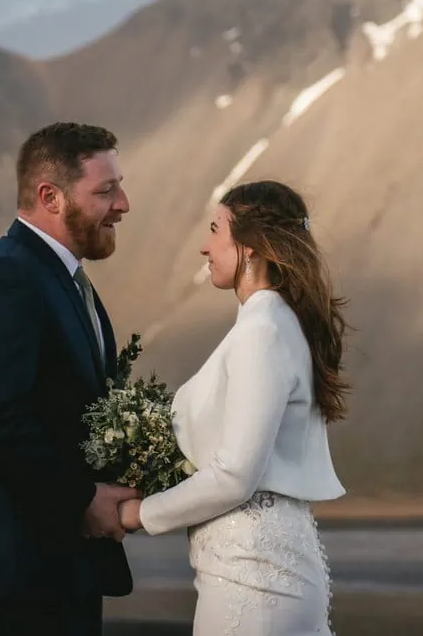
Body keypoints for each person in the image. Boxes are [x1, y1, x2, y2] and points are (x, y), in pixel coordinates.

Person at [119, 180, 349, 635]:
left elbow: (235, 474)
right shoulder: (276, 322)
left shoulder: (262, 330)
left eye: (215, 229)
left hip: (254, 581)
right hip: (255, 570)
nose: (205, 247)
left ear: (249, 246)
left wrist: (138, 514)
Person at [0, 121, 138, 635]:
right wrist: (84, 498)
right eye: (106, 190)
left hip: (55, 568)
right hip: (15, 573)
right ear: (50, 196)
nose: (123, 204)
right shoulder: (5, 281)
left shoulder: (62, 281)